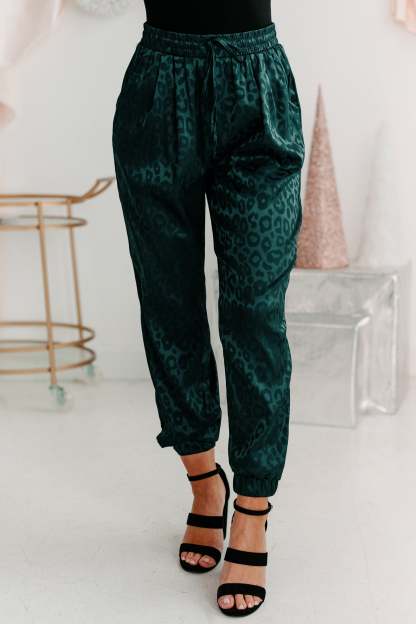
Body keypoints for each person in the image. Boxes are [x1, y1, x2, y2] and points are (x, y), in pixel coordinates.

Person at [112, 0, 305, 616]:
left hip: (256, 83)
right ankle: (202, 480)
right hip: (159, 84)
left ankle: (252, 507)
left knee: (255, 312)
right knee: (168, 301)